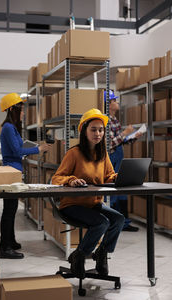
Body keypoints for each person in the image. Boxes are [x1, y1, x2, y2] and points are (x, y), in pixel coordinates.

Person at [52, 108, 125, 279]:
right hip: (72, 205)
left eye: (100, 130)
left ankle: (101, 253)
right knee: (102, 223)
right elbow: (56, 178)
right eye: (93, 129)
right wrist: (71, 180)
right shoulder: (74, 153)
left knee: (118, 219)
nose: (98, 133)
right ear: (84, 130)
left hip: (93, 204)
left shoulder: (102, 154)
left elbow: (108, 176)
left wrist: (119, 177)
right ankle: (79, 255)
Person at [0, 93, 51, 259]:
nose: (23, 112)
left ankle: (10, 241)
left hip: (14, 171)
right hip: (10, 172)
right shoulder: (7, 127)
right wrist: (38, 150)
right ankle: (4, 248)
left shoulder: (12, 127)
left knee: (12, 210)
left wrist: (34, 146)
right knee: (9, 210)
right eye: (21, 109)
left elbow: (19, 146)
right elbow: (17, 151)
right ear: (13, 109)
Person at [105, 90, 142, 232]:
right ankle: (114, 224)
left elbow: (120, 141)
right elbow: (109, 144)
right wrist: (124, 133)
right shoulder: (106, 120)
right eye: (115, 100)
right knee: (113, 192)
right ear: (109, 104)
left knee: (122, 190)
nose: (118, 102)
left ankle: (124, 223)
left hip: (119, 158)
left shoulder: (115, 120)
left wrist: (132, 137)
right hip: (112, 159)